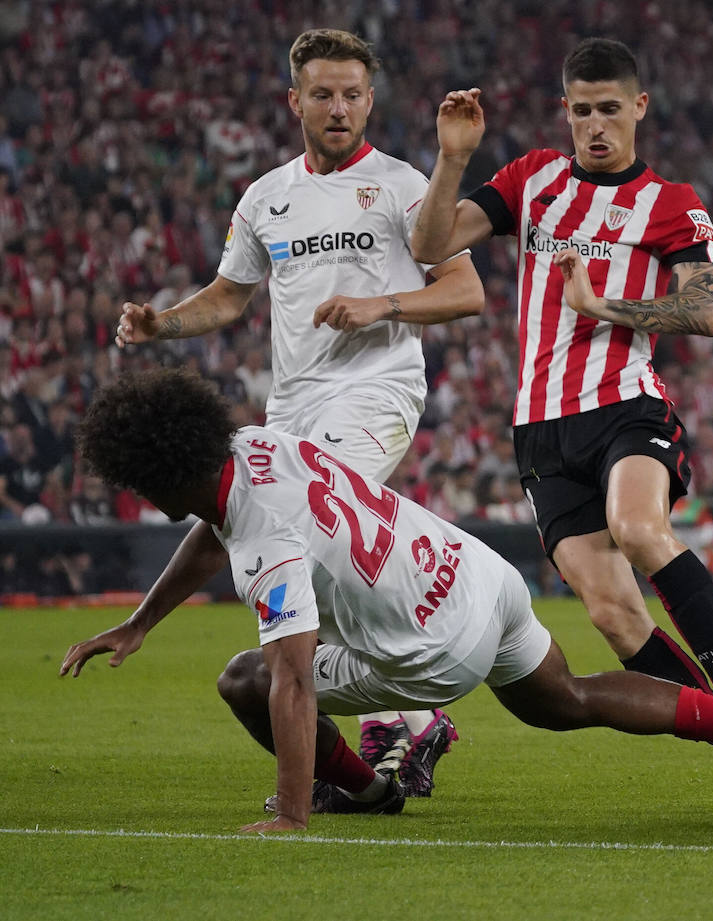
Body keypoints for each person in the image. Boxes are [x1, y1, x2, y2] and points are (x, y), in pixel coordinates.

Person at [59, 369, 713, 830]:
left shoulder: (264, 540)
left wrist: (290, 813)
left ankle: (366, 791)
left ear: (160, 476)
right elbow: (213, 523)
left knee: (246, 678)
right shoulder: (254, 443)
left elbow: (292, 681)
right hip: (478, 574)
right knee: (564, 698)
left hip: (435, 649)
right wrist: (140, 620)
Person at [408, 38, 713, 812]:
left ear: (639, 108)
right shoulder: (533, 180)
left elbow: (708, 310)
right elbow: (429, 245)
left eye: (610, 109)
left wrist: (602, 306)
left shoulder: (673, 202)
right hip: (541, 430)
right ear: (566, 110)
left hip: (625, 403)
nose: (595, 124)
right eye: (582, 109)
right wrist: (453, 158)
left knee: (640, 527)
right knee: (615, 617)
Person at [110, 29, 485, 800]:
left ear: (370, 100)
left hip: (377, 391)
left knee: (309, 533)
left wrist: (381, 304)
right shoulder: (265, 197)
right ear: (296, 101)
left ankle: (402, 718)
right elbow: (228, 294)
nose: (339, 107)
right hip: (292, 408)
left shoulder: (404, 185)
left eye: (352, 94)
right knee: (281, 533)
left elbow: (464, 290)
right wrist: (162, 324)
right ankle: (402, 722)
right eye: (323, 94)